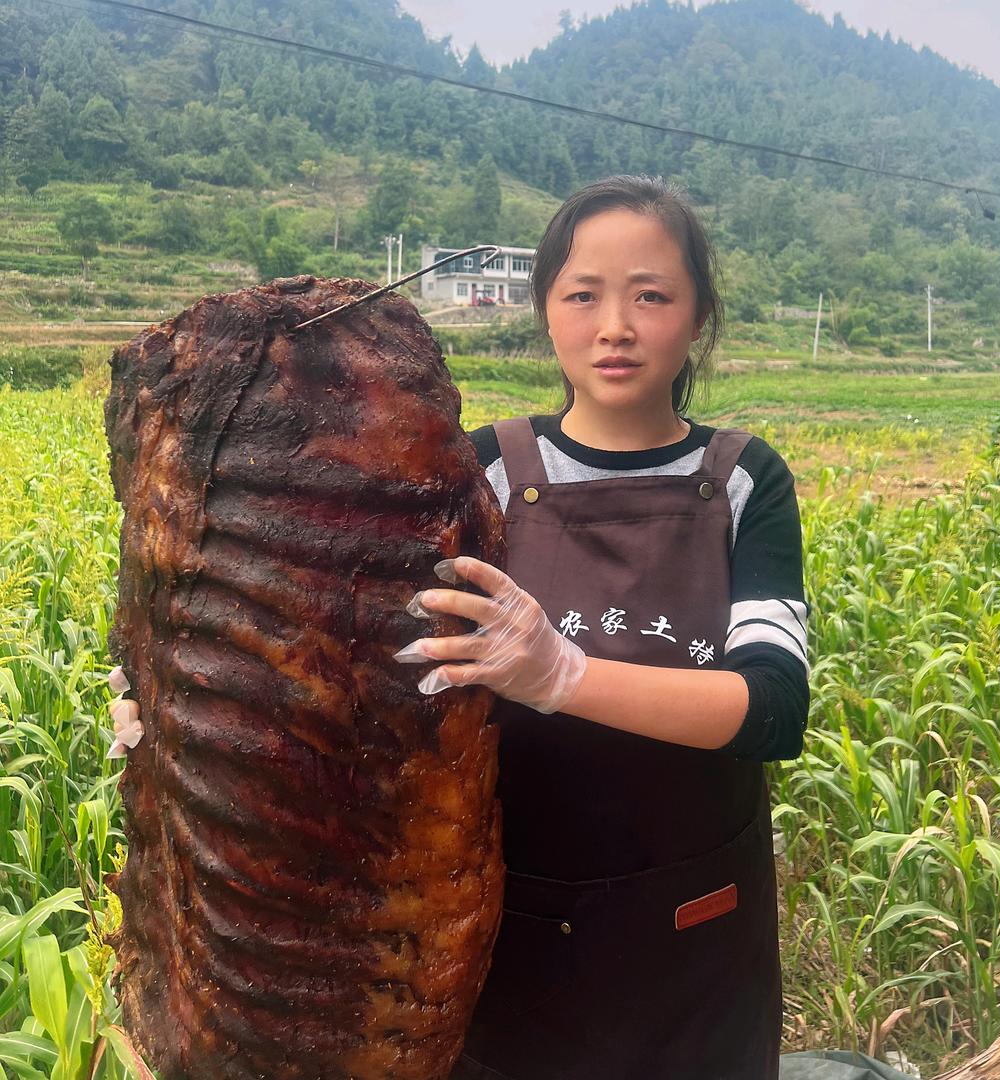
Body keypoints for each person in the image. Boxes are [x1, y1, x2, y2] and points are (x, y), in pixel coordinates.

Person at [110, 174, 809, 1079]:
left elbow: (774, 707)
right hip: (504, 934)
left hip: (691, 936)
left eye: (652, 295)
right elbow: (361, 687)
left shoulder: (745, 478)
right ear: (545, 309)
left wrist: (563, 676)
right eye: (583, 295)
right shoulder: (480, 469)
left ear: (699, 314)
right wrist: (178, 705)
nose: (616, 327)